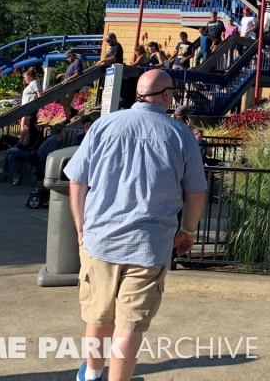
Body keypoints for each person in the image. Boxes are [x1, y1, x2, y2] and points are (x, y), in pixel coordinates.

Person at [64, 69, 207, 381]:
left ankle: (91, 374)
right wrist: (189, 231)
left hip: (100, 238)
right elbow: (196, 192)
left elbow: (76, 181)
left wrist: (80, 226)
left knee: (99, 313)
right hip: (150, 243)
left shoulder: (103, 125)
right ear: (168, 95)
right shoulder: (179, 134)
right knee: (131, 322)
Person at [0, 97, 43, 186]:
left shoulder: (30, 129)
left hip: (29, 152)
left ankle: (3, 167)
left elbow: (27, 144)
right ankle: (16, 176)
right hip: (35, 150)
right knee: (10, 157)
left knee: (9, 151)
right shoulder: (40, 127)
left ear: (30, 120)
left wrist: (20, 144)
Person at [57, 50, 85, 123]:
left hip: (72, 86)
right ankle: (72, 111)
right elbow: (71, 73)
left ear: (71, 55)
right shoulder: (73, 63)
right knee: (64, 102)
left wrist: (68, 79)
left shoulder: (77, 62)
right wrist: (63, 75)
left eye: (67, 57)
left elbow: (77, 74)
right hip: (69, 86)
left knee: (65, 102)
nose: (67, 59)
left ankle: (68, 119)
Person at [20, 68, 41, 134]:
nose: (24, 79)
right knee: (23, 125)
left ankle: (26, 141)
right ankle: (22, 140)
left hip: (30, 108)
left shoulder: (34, 83)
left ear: (30, 76)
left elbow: (39, 93)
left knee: (27, 125)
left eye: (25, 77)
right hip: (26, 108)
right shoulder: (31, 84)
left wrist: (40, 103)